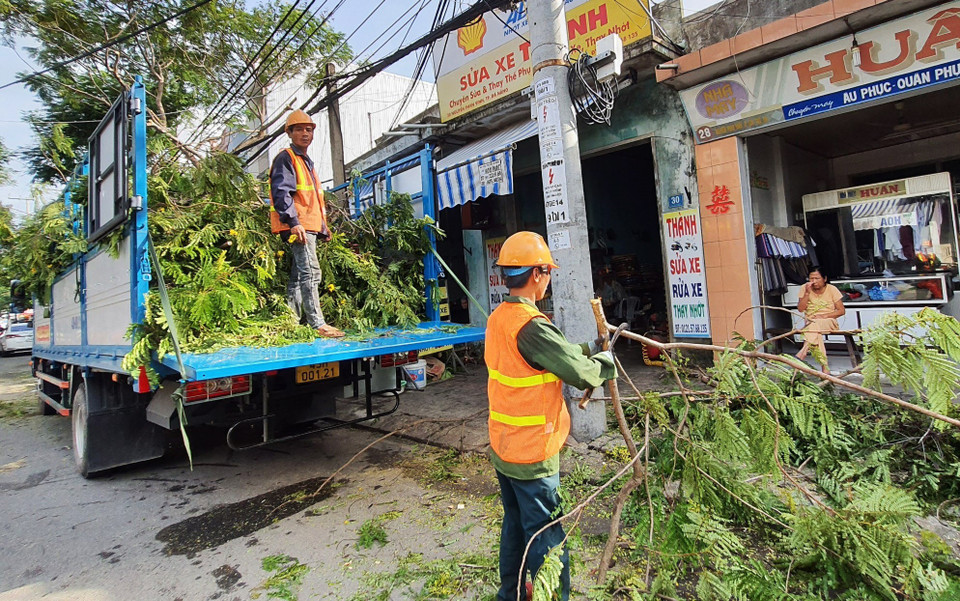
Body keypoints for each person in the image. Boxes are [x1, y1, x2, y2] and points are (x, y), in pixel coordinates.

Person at [485, 231, 617, 601]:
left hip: (504, 447)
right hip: (532, 454)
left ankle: (509, 595)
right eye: (548, 272)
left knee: (515, 526)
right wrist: (605, 363)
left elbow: (550, 355)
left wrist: (591, 347)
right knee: (547, 539)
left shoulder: (501, 318)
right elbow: (582, 373)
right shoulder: (531, 324)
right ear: (539, 273)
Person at [269, 109, 344, 338]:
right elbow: (282, 192)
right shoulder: (287, 157)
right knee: (311, 272)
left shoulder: (305, 161)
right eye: (299, 129)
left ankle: (291, 321)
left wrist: (324, 228)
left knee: (298, 275)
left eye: (308, 129)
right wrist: (294, 222)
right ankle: (317, 323)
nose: (305, 133)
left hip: (307, 226)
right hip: (299, 226)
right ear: (289, 133)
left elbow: (312, 199)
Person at [796, 267, 845, 373]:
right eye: (811, 278)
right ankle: (825, 368)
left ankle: (803, 352)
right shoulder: (804, 288)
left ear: (825, 279)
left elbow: (841, 311)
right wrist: (807, 294)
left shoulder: (832, 289)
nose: (813, 281)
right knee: (816, 333)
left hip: (829, 321)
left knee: (814, 326)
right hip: (811, 323)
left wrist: (824, 316)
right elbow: (800, 309)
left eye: (817, 278)